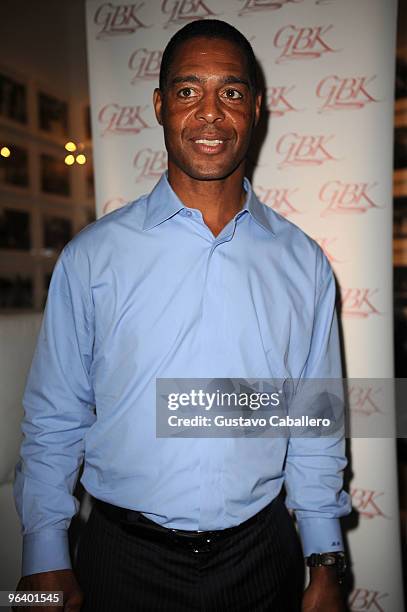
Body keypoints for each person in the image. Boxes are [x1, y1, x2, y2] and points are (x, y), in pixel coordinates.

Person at [14, 19, 351, 612]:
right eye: (189, 90)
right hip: (121, 558)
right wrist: (44, 552)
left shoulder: (304, 263)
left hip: (263, 556)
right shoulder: (92, 258)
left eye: (232, 91)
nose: (211, 113)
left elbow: (316, 422)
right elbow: (55, 419)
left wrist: (325, 561)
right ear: (160, 105)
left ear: (257, 107)